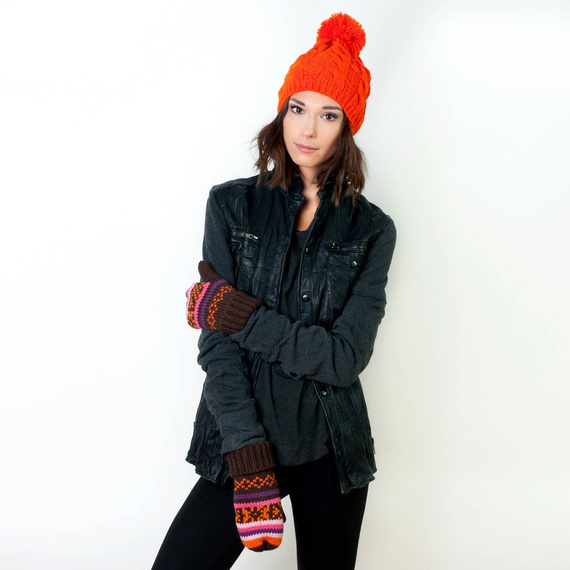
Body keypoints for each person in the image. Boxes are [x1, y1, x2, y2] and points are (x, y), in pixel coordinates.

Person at [151, 12, 397, 570]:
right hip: (241, 441)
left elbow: (343, 359)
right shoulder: (230, 206)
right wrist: (247, 455)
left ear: (347, 127)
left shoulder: (372, 230)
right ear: (282, 111)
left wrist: (239, 314)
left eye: (328, 115)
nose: (307, 130)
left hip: (330, 447)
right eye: (298, 108)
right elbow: (217, 347)